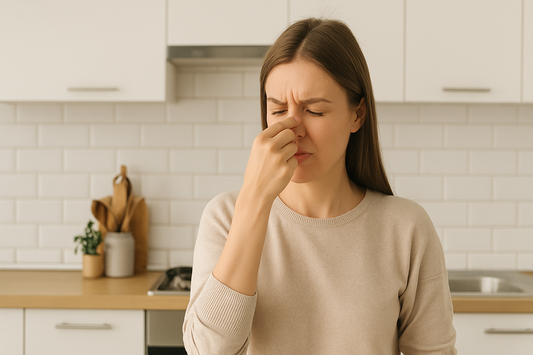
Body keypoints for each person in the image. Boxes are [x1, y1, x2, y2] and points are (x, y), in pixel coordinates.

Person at [183, 18, 457, 354]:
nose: (291, 129)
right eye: (278, 109)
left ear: (357, 115)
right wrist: (254, 201)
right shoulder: (225, 217)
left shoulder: (406, 228)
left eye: (314, 111)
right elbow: (208, 351)